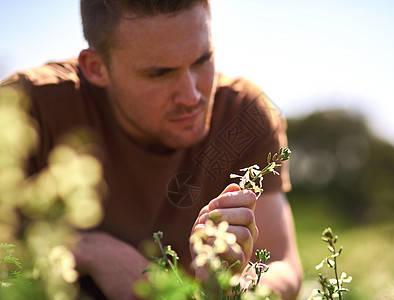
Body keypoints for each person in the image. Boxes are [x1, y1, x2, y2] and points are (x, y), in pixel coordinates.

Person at [1, 0, 302, 299]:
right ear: (95, 68)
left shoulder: (244, 116)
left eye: (202, 60)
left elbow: (281, 264)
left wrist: (230, 289)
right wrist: (88, 250)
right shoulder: (23, 109)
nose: (192, 95)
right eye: (158, 73)